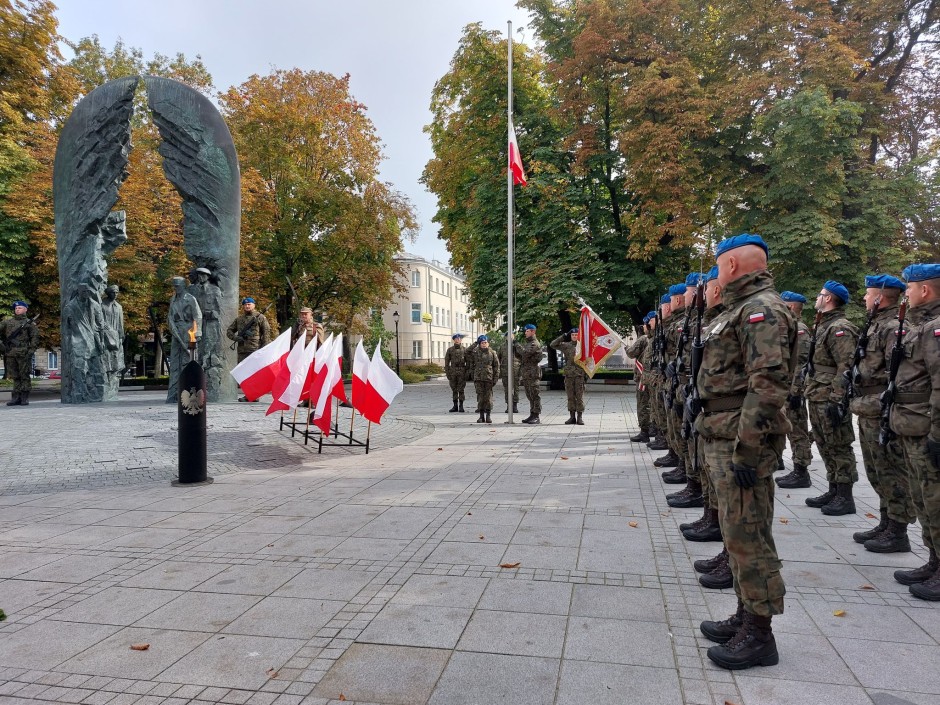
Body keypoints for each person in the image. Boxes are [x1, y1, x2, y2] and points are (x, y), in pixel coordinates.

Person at [696, 233, 796, 670]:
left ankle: (760, 635)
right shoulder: (737, 309)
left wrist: (748, 451)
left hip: (741, 441)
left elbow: (768, 385)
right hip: (722, 432)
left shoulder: (762, 310)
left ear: (732, 265)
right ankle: (744, 614)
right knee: (737, 535)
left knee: (750, 536)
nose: (716, 274)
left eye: (719, 266)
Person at [846, 275, 915, 553]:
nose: (863, 298)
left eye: (867, 294)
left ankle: (898, 531)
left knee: (891, 470)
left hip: (880, 409)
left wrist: (877, 403)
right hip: (868, 408)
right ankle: (886, 522)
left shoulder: (894, 328)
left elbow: (896, 375)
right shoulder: (875, 325)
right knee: (876, 470)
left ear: (879, 297)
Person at [886, 264, 940, 598]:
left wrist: (938, 434)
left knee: (935, 500)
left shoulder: (936, 329)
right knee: (923, 498)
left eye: (910, 288)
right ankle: (934, 560)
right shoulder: (921, 326)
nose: (906, 294)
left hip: (926, 427)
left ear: (926, 290)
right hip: (911, 422)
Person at [688, 266, 732, 588]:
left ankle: (756, 623)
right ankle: (723, 543)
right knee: (719, 488)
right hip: (715, 419)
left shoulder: (753, 314)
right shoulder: (718, 320)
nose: (697, 294)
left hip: (734, 426)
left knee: (741, 512)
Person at [803, 280, 860, 515]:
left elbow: (845, 367)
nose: (817, 298)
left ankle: (845, 496)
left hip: (829, 396)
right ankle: (834, 488)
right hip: (817, 393)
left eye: (820, 294)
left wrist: (838, 399)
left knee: (838, 444)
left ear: (828, 298)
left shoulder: (840, 328)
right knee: (825, 443)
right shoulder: (824, 324)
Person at [775, 291, 814, 488]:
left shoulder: (800, 330)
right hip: (784, 388)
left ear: (790, 307)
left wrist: (796, 391)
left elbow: (801, 364)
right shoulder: (788, 327)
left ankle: (801, 471)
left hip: (793, 391)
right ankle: (779, 459)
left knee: (798, 431)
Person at [63, 283, 107, 403]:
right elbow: (66, 330)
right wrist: (68, 346)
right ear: (78, 292)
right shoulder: (70, 307)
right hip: (78, 343)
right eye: (84, 292)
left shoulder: (95, 305)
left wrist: (102, 341)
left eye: (88, 292)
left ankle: (95, 394)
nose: (86, 294)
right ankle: (80, 394)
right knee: (79, 370)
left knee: (97, 371)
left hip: (93, 343)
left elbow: (101, 325)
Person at [227, 297, 272, 401]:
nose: (247, 306)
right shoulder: (239, 319)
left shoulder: (260, 317)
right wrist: (236, 337)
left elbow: (266, 334)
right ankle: (248, 394)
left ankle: (254, 395)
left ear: (254, 305)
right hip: (242, 350)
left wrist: (264, 349)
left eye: (249, 304)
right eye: (245, 304)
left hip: (255, 349)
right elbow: (229, 331)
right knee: (244, 373)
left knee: (254, 373)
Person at [167, 276, 203, 404]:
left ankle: (188, 391)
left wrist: (196, 334)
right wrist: (172, 326)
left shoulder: (190, 299)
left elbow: (198, 316)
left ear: (183, 286)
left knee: (188, 360)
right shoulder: (173, 299)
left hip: (188, 330)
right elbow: (170, 316)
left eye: (178, 286)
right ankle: (174, 393)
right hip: (176, 331)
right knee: (175, 360)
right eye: (174, 286)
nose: (176, 288)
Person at [1, 300, 39, 406]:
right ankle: (15, 398)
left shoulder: (30, 324)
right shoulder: (7, 322)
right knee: (15, 376)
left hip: (23, 353)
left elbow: (35, 339)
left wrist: (31, 351)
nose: (17, 309)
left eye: (20, 308)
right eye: (16, 308)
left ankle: (24, 397)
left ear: (25, 309)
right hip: (10, 353)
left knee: (24, 375)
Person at [550, 326, 587, 424]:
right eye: (573, 335)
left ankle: (579, 417)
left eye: (576, 335)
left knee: (579, 396)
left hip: (579, 374)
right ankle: (572, 417)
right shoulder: (566, 345)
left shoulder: (583, 346)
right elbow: (553, 344)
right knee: (570, 396)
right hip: (569, 374)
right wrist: (564, 335)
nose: (574, 336)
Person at [626, 314, 652, 442]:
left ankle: (644, 431)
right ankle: (654, 429)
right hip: (653, 377)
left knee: (642, 404)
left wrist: (626, 348)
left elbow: (631, 353)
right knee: (652, 405)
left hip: (643, 377)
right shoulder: (657, 337)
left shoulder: (644, 339)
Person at [101, 285, 125, 397]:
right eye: (112, 292)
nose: (115, 295)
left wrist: (120, 338)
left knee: (116, 361)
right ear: (108, 293)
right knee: (106, 360)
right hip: (105, 336)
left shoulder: (119, 307)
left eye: (116, 292)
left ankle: (112, 384)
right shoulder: (101, 305)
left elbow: (121, 324)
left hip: (115, 337)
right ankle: (105, 382)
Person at [470, 334, 499, 423]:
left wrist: (495, 379)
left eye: (485, 342)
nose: (484, 344)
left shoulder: (492, 353)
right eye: (482, 343)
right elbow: (467, 353)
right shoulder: (475, 352)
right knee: (480, 397)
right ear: (479, 344)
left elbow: (496, 366)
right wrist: (472, 375)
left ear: (488, 343)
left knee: (488, 398)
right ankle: (481, 416)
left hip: (488, 378)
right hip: (478, 378)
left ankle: (488, 415)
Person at [519, 324, 542, 424]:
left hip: (533, 373)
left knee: (534, 394)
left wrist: (516, 344)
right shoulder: (528, 343)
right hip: (527, 373)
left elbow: (525, 354)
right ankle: (532, 414)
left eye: (527, 331)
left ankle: (536, 416)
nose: (525, 333)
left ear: (533, 332)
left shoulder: (534, 344)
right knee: (529, 395)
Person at [499, 333, 523, 413]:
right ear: (505, 337)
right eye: (508, 336)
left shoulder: (517, 345)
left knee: (516, 388)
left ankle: (515, 405)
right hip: (505, 370)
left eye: (512, 336)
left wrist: (516, 345)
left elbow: (523, 354)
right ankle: (509, 405)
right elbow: (498, 357)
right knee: (507, 389)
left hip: (516, 370)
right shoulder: (502, 346)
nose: (510, 337)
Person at [444, 333, 468, 412]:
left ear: (461, 340)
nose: (457, 340)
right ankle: (455, 406)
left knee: (461, 389)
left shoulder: (464, 350)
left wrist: (467, 372)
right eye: (456, 339)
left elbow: (468, 362)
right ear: (453, 340)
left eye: (459, 339)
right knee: (454, 389)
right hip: (453, 371)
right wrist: (447, 373)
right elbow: (447, 362)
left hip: (462, 371)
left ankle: (461, 405)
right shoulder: (450, 350)